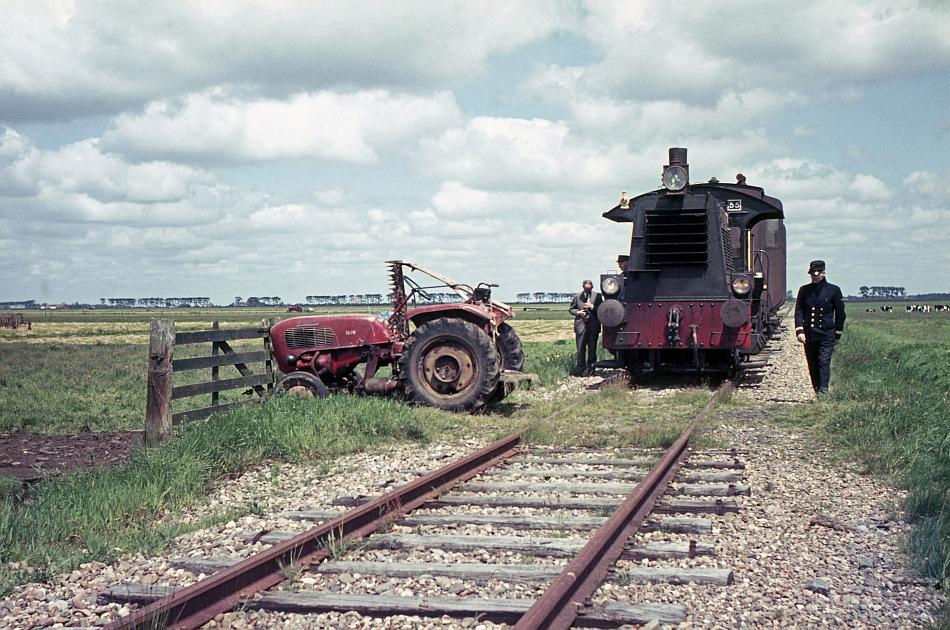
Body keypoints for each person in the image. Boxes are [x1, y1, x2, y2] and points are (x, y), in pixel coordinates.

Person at [794, 260, 846, 394]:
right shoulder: (804, 290)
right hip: (810, 334)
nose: (814, 277)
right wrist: (799, 330)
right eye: (812, 274)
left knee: (823, 362)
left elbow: (840, 313)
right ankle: (817, 390)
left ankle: (823, 392)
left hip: (826, 333)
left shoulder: (833, 290)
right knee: (813, 363)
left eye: (816, 274)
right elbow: (799, 311)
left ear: (823, 273)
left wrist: (837, 333)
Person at [569, 280, 603, 376]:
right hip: (581, 326)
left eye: (589, 289)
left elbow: (602, 309)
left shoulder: (598, 296)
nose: (588, 291)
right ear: (583, 287)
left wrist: (592, 307)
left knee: (592, 350)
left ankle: (591, 370)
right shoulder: (577, 296)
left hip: (593, 327)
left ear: (592, 287)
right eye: (586, 289)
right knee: (580, 350)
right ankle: (580, 370)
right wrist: (579, 312)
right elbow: (571, 309)